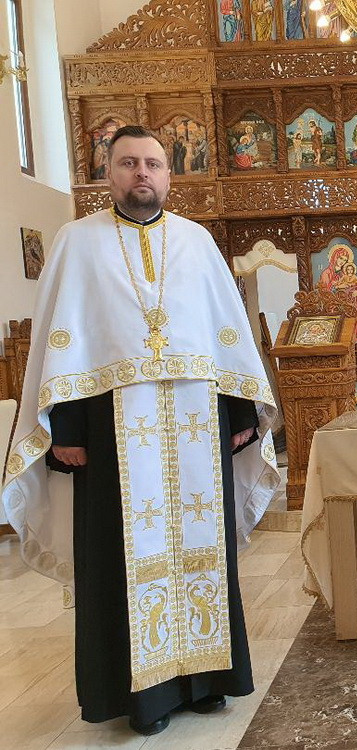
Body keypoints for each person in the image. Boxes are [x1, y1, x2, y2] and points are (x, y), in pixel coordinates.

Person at [1, 125, 280, 735]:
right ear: (108, 172)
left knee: (203, 551)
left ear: (169, 174)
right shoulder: (76, 242)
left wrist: (240, 417)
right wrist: (65, 432)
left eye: (152, 163)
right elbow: (61, 346)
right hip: (109, 432)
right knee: (118, 559)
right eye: (128, 163)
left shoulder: (197, 241)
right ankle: (144, 698)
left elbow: (227, 336)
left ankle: (207, 681)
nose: (142, 174)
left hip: (198, 424)